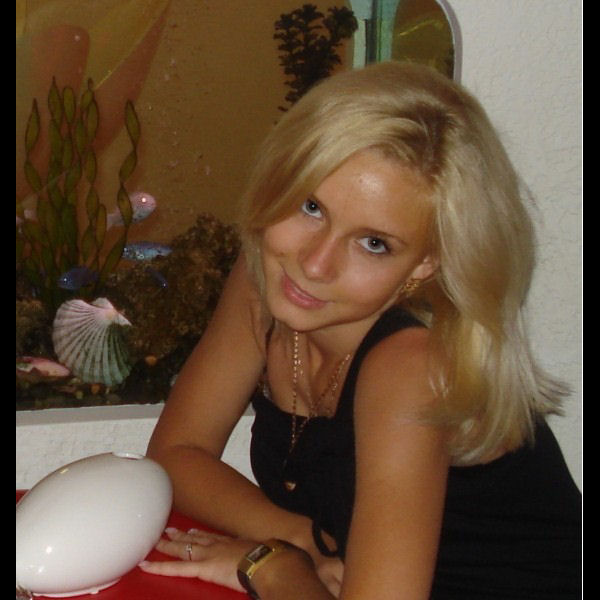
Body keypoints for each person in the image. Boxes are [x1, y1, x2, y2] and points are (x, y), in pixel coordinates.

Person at [139, 61, 581, 599]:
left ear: (427, 263)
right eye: (311, 207)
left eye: (374, 243)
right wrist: (297, 538)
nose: (315, 263)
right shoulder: (268, 276)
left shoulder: (411, 364)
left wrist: (269, 566)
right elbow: (177, 453)